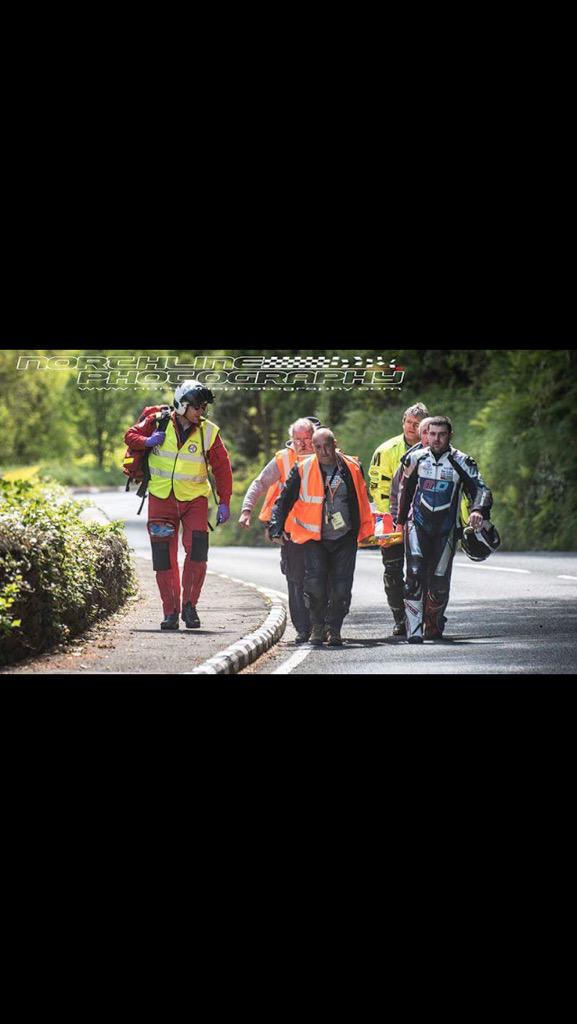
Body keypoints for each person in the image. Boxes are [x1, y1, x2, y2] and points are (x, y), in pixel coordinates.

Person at [124, 380, 232, 630]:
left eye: (203, 407)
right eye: (197, 407)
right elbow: (130, 435)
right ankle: (170, 612)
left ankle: (190, 607)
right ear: (182, 405)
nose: (201, 412)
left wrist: (224, 501)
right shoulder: (157, 421)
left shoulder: (209, 432)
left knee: (197, 552)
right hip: (161, 499)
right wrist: (148, 441)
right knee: (164, 558)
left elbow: (223, 469)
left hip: (195, 501)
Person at [268, 428, 374, 647]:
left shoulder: (352, 468)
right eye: (318, 447)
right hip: (314, 538)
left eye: (327, 445)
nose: (324, 451)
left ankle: (334, 629)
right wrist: (276, 527)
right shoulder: (302, 468)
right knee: (315, 586)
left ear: (335, 443)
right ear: (313, 448)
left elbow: (363, 500)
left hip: (344, 537)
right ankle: (317, 627)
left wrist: (366, 530)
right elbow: (283, 500)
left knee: (341, 588)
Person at [396, 415, 493, 643]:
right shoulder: (415, 458)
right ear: (426, 435)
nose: (436, 439)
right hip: (417, 525)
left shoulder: (462, 461)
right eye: (432, 434)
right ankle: (414, 630)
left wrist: (478, 510)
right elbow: (405, 490)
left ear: (450, 435)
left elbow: (481, 490)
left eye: (441, 434)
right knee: (414, 575)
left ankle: (433, 625)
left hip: (446, 529)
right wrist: (399, 521)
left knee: (439, 582)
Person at [238, 417, 320, 643]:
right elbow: (260, 483)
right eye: (297, 440)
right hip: (291, 532)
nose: (302, 444)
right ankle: (303, 629)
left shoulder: (324, 455)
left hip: (319, 533)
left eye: (306, 439)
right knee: (295, 580)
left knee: (319, 579)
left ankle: (320, 624)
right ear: (291, 439)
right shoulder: (283, 459)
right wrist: (247, 509)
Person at [368, 402, 429, 636]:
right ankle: (399, 617)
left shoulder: (433, 447)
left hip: (422, 521)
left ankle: (422, 615)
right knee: (393, 570)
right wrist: (391, 519)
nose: (412, 427)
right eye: (409, 422)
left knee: (422, 570)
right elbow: (378, 488)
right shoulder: (386, 450)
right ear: (403, 422)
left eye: (417, 424)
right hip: (391, 519)